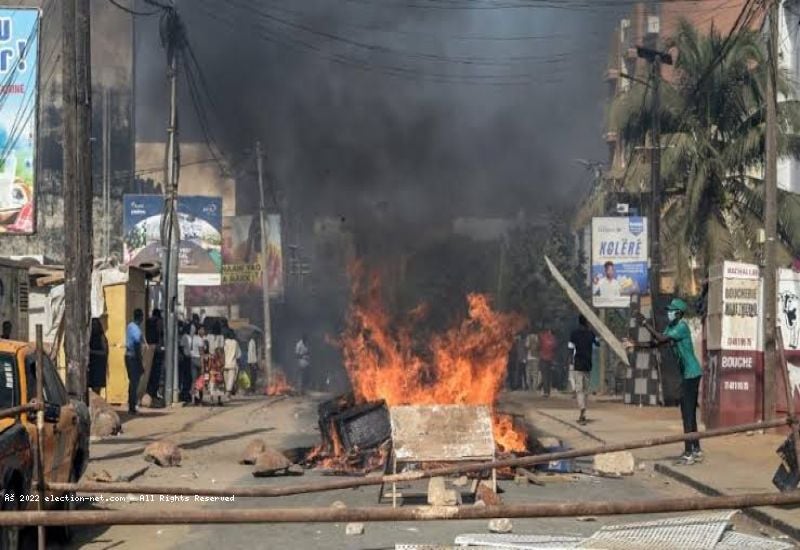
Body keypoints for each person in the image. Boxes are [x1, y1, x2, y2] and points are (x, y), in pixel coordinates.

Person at [625, 298, 703, 465]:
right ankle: (695, 449)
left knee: (687, 414)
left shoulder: (681, 326)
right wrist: (636, 345)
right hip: (687, 374)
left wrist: (645, 323)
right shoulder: (671, 327)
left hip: (692, 374)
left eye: (672, 310)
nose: (669, 313)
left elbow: (660, 338)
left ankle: (690, 452)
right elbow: (656, 343)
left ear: (679, 313)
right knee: (688, 413)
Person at [568, 315, 600, 425]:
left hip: (578, 364)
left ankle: (582, 408)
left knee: (579, 389)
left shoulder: (574, 334)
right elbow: (598, 343)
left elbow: (570, 348)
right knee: (585, 390)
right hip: (587, 364)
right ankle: (584, 410)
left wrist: (570, 361)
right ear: (587, 322)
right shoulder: (590, 334)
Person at [124, 309, 145, 415]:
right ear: (141, 317)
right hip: (133, 357)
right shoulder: (136, 329)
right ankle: (132, 406)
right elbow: (137, 344)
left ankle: (131, 404)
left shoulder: (130, 326)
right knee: (134, 383)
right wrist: (140, 361)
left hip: (128, 356)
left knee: (132, 382)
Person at [145, 309, 165, 401]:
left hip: (149, 347)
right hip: (158, 349)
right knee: (157, 373)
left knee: (149, 371)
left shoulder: (148, 321)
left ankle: (149, 391)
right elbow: (161, 334)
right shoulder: (159, 322)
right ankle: (154, 393)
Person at [88, 318, 109, 395]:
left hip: (98, 366)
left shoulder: (101, 337)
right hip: (91, 365)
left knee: (97, 388)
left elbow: (104, 352)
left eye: (95, 325)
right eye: (93, 325)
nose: (94, 327)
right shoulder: (89, 336)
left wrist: (91, 352)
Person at [190, 326, 206, 405]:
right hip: (198, 360)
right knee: (200, 380)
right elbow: (202, 354)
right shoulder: (200, 340)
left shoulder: (193, 338)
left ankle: (193, 399)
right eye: (202, 329)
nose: (204, 331)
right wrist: (203, 366)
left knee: (194, 380)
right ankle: (200, 399)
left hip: (192, 359)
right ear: (199, 330)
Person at [223, 328, 241, 398]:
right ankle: (228, 393)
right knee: (231, 379)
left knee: (226, 379)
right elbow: (238, 354)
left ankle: (227, 392)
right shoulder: (235, 343)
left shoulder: (224, 342)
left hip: (225, 364)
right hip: (232, 364)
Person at [538, 328, 556, 397]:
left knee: (544, 376)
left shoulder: (543, 337)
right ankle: (548, 391)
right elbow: (555, 348)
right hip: (551, 359)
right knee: (549, 376)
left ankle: (545, 392)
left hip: (543, 358)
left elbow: (539, 345)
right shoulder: (554, 339)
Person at [179, 322, 193, 403]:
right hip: (186, 358)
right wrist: (184, 354)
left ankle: (187, 392)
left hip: (190, 357)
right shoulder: (184, 337)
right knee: (186, 376)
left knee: (189, 377)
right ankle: (184, 393)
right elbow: (181, 347)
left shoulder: (190, 337)